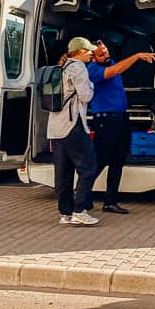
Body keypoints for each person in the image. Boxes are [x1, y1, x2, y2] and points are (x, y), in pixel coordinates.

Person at [87, 41, 155, 214]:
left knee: (118, 161)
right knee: (100, 160)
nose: (106, 55)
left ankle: (110, 201)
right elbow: (115, 71)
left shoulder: (110, 62)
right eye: (102, 54)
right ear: (93, 57)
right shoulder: (93, 70)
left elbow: (116, 67)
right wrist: (137, 55)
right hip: (105, 120)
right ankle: (81, 195)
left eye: (106, 51)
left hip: (120, 118)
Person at [49, 37, 102, 226]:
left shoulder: (60, 67)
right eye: (89, 51)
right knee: (88, 167)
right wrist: (92, 85)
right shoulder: (78, 67)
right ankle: (80, 210)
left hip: (55, 127)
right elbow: (86, 96)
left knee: (63, 172)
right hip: (73, 125)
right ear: (79, 52)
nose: (91, 54)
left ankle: (65, 213)